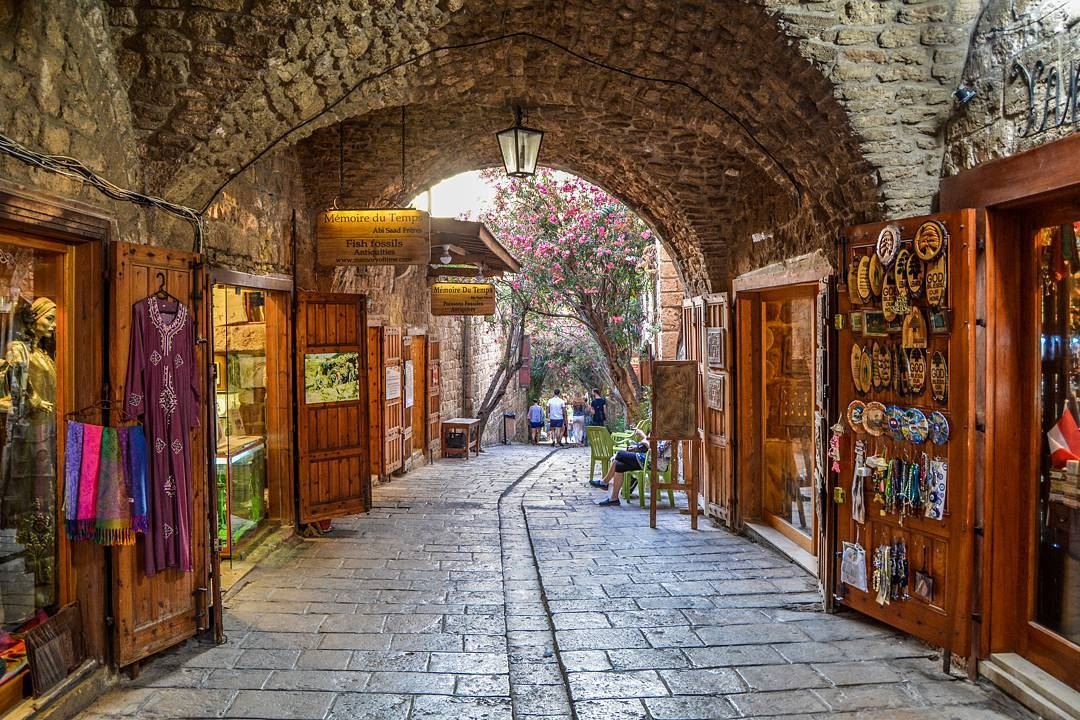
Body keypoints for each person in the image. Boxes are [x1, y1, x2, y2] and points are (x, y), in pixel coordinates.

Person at [589, 427, 670, 506]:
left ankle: (605, 483)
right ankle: (614, 499)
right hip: (648, 459)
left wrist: (644, 438)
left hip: (654, 463)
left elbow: (657, 452)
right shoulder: (661, 430)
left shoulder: (668, 435)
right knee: (618, 465)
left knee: (620, 454)